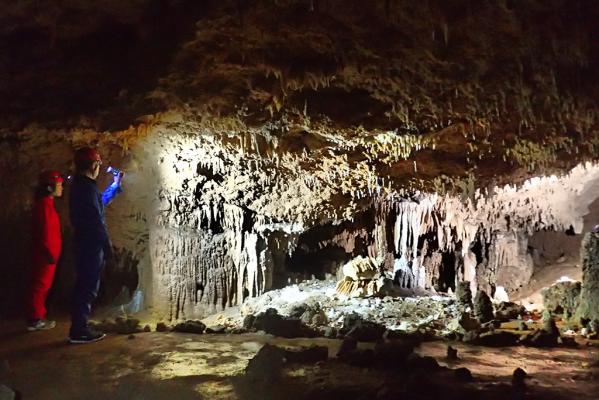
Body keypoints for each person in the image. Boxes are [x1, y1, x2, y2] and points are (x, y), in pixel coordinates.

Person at [69, 147, 123, 344]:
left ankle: (80, 325)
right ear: (94, 166)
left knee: (86, 285)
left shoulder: (82, 186)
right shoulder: (85, 188)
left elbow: (98, 204)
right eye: (98, 165)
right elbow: (96, 220)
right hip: (90, 244)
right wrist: (108, 247)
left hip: (85, 242)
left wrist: (115, 186)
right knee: (87, 287)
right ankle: (79, 330)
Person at [27, 170, 64, 331]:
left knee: (42, 285)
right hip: (46, 255)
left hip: (48, 254)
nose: (61, 187)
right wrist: (50, 253)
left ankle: (38, 315)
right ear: (50, 187)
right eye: (59, 184)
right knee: (40, 286)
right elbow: (45, 232)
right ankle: (35, 318)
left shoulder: (46, 204)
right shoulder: (44, 206)